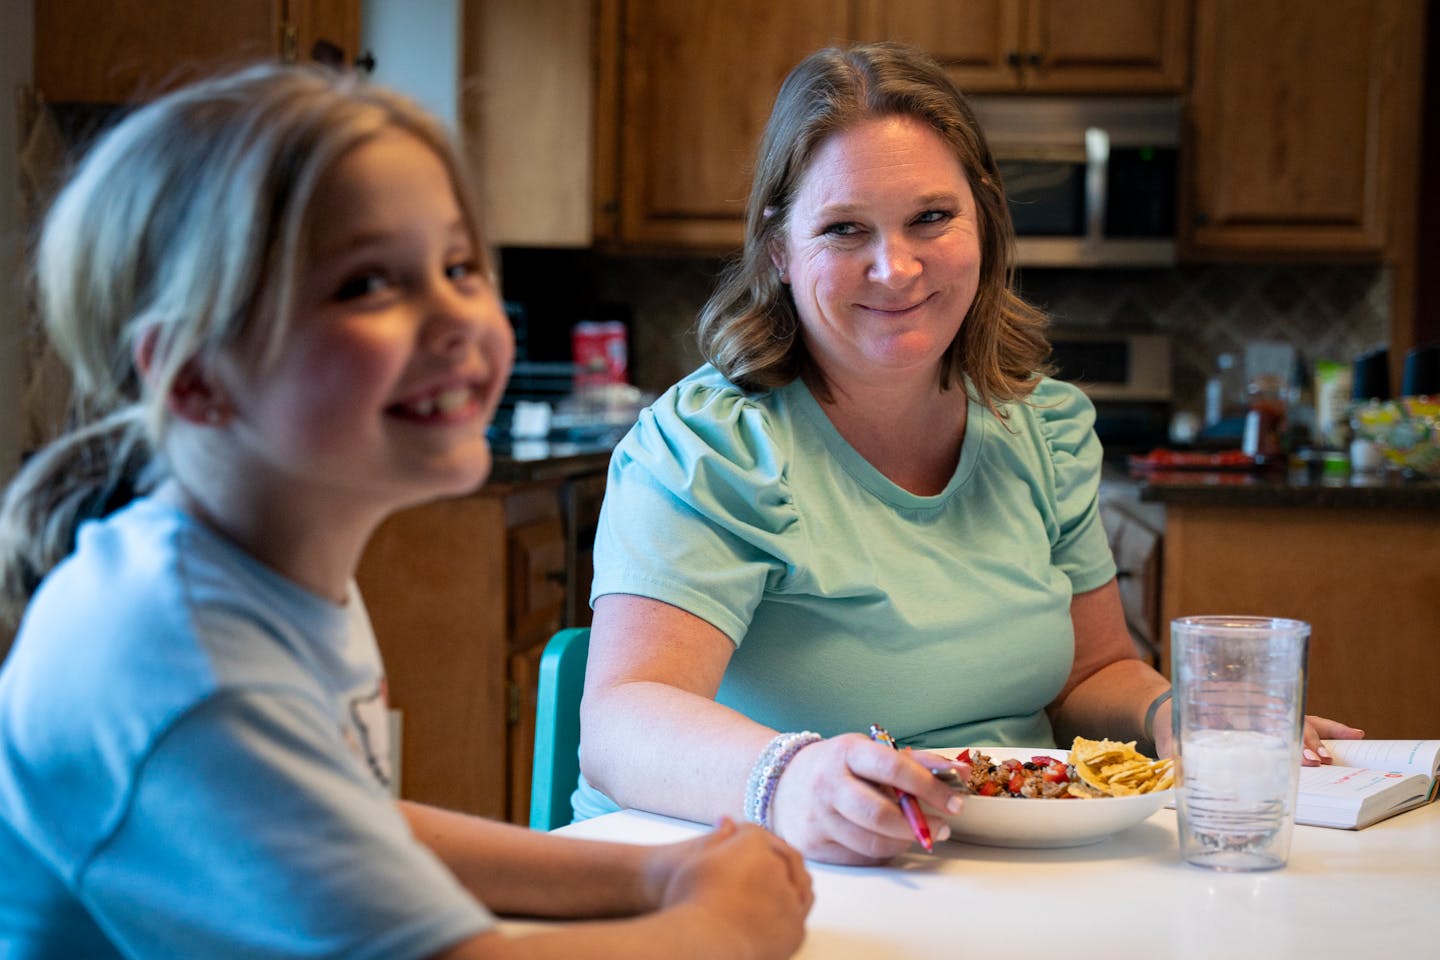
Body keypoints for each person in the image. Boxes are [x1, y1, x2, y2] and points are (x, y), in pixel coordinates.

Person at [0, 64, 811, 959]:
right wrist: (723, 929)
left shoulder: (257, 575)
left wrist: (655, 876)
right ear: (193, 377)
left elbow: (351, 826)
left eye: (459, 265)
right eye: (367, 285)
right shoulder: (179, 661)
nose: (460, 315)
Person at [574, 42, 1364, 866]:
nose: (897, 267)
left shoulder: (1042, 429)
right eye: (845, 228)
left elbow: (1088, 675)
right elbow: (625, 720)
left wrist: (1182, 715)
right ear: (779, 250)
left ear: (982, 217)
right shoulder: (716, 445)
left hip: (998, 871)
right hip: (749, 865)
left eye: (931, 217)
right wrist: (791, 778)